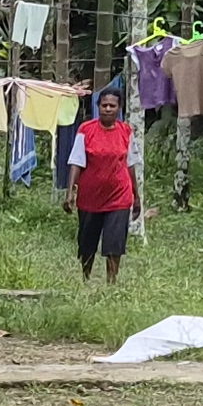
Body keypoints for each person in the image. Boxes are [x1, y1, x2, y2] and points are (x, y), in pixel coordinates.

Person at [72, 85, 138, 284]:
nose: (108, 109)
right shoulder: (86, 130)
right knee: (87, 240)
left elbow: (131, 164)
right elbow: (76, 161)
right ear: (98, 106)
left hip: (120, 195)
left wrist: (137, 196)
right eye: (104, 105)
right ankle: (86, 277)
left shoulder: (126, 131)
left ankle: (112, 281)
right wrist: (70, 192)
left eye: (112, 106)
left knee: (115, 241)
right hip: (90, 196)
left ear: (119, 108)